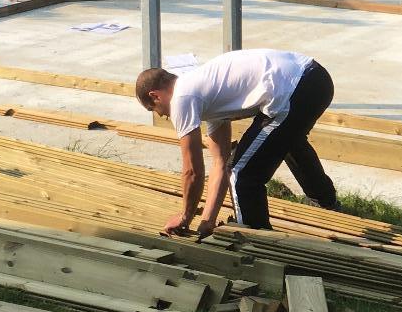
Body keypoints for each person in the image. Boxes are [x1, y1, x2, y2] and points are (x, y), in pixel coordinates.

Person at [135, 48, 338, 235]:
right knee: (284, 140)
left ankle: (256, 241)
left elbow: (192, 172)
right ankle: (326, 202)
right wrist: (207, 220)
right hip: (314, 77)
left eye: (154, 110)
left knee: (242, 173)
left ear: (155, 96)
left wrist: (184, 217)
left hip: (298, 87)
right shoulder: (204, 89)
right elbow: (220, 163)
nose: (161, 116)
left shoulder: (181, 97)